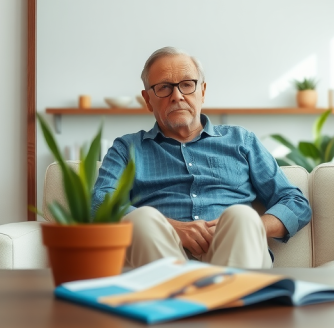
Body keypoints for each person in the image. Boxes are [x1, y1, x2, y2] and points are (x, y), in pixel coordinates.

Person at [92, 47, 312, 269]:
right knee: (142, 219)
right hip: (161, 255)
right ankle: (173, 298)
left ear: (202, 91)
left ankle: (232, 295)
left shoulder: (241, 141)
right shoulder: (127, 148)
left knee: (241, 216)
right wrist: (171, 227)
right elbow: (99, 202)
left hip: (234, 252)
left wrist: (252, 227)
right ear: (148, 100)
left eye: (187, 84)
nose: (177, 96)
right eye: (164, 88)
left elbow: (296, 203)